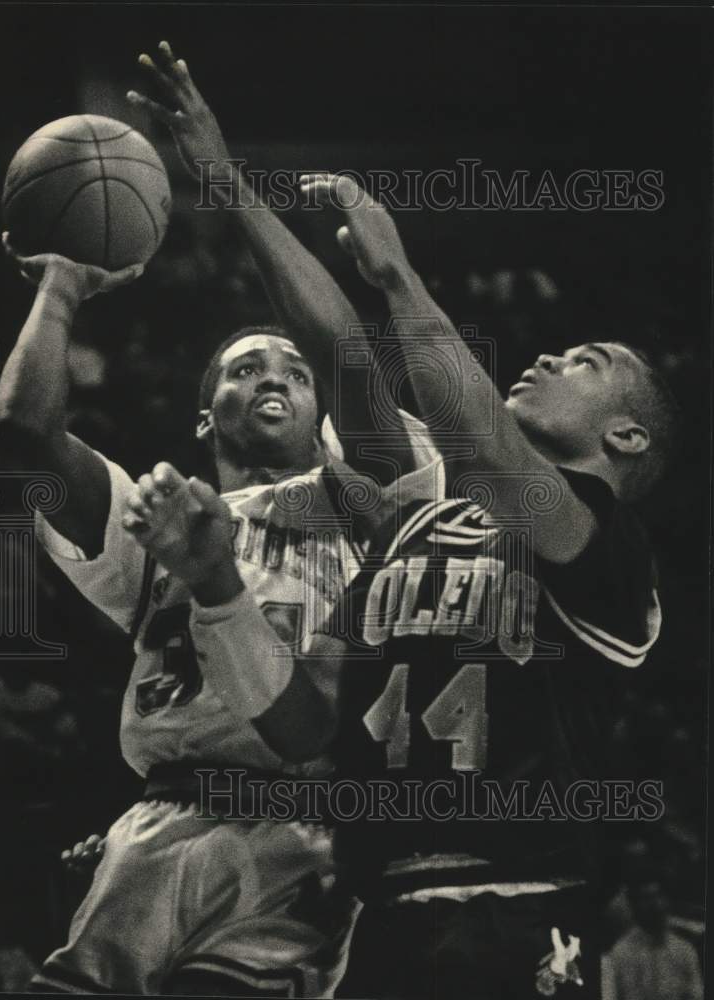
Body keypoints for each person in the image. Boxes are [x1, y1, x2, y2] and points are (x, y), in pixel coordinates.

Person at [148, 175, 677, 998]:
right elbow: (300, 724)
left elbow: (489, 451)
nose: (548, 358)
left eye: (586, 362)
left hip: (520, 909)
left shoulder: (608, 545)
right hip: (383, 915)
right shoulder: (406, 528)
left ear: (626, 435)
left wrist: (398, 277)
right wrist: (216, 586)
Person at [0, 43, 424, 997]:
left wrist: (223, 183)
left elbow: (346, 351)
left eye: (290, 372)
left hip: (301, 833)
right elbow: (25, 439)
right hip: (154, 824)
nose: (273, 375)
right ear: (204, 415)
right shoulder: (162, 516)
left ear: (322, 413)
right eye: (242, 368)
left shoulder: (374, 495)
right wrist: (61, 284)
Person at [604, 877, 703, 1000]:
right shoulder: (619, 954)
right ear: (635, 907)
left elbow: (696, 995)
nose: (655, 905)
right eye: (646, 898)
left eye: (658, 896)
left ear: (667, 901)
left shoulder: (684, 950)